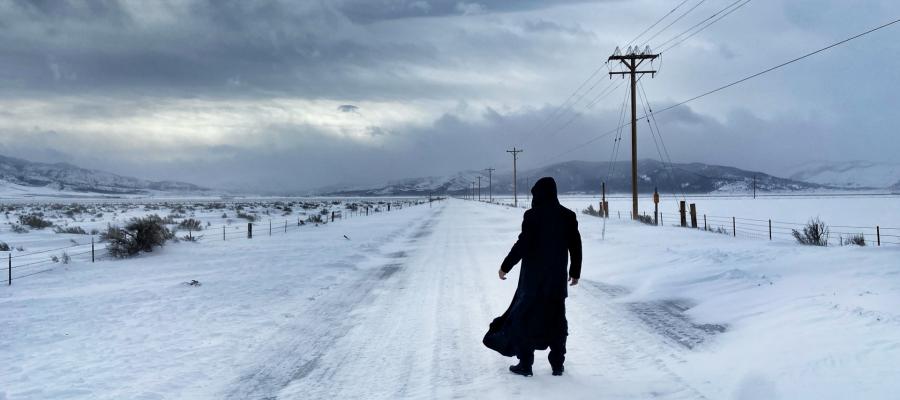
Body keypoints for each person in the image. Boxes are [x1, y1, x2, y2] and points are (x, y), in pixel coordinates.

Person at [482, 176, 582, 377]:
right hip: (555, 282)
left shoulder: (532, 216)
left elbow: (523, 245)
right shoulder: (567, 215)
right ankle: (557, 365)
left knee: (524, 321)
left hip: (532, 283)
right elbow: (576, 246)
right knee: (557, 321)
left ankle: (525, 365)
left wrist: (505, 266)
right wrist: (575, 272)